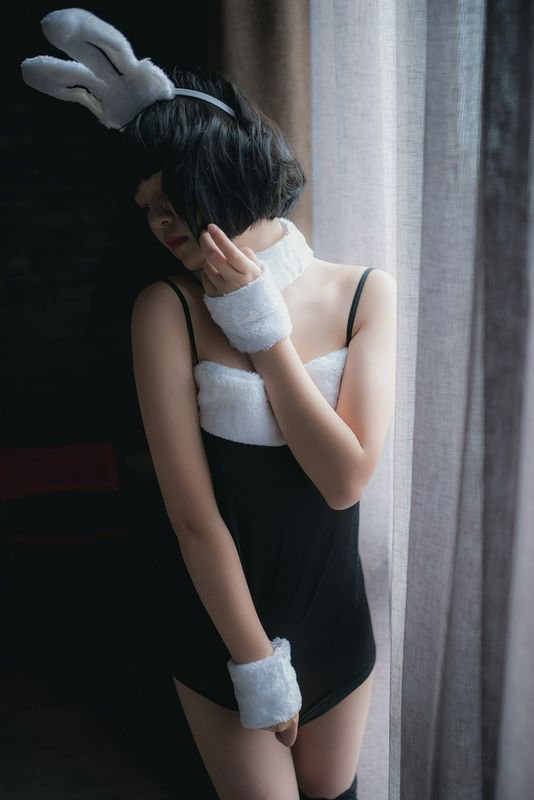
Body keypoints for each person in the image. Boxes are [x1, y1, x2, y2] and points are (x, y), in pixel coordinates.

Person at [21, 9, 396, 799]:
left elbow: (343, 480)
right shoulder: (165, 309)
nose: (159, 221)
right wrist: (257, 664)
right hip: (220, 628)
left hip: (336, 618)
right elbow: (192, 516)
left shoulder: (367, 291)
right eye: (146, 207)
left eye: (170, 198)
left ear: (222, 171)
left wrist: (260, 328)